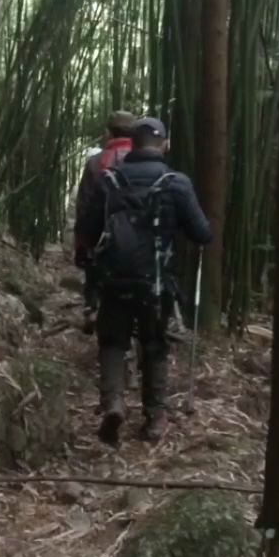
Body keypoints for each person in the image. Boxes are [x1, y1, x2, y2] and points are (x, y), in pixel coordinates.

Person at [74, 117, 212, 445]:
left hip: (114, 280)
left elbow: (87, 231)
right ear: (165, 145)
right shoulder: (176, 183)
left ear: (131, 145)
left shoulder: (110, 179)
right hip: (157, 283)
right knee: (154, 346)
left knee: (112, 342)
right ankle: (154, 418)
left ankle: (114, 403)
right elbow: (202, 233)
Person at [72, 110, 138, 320]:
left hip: (103, 236)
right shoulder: (145, 161)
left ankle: (92, 306)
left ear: (108, 133)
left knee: (94, 262)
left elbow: (85, 205)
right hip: (140, 237)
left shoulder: (96, 162)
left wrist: (81, 243)